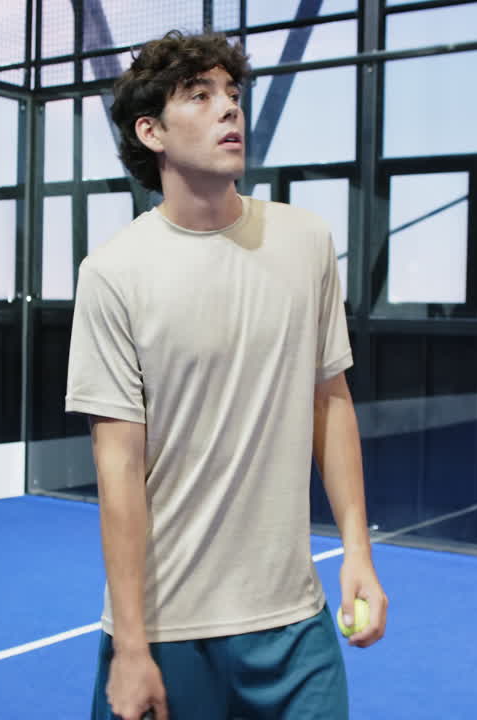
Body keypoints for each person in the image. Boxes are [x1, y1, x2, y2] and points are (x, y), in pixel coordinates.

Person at [65, 30, 387, 720]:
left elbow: (329, 401)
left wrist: (357, 550)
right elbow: (118, 464)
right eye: (201, 96)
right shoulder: (113, 274)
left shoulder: (307, 242)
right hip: (170, 627)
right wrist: (130, 646)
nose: (229, 111)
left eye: (234, 96)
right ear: (150, 131)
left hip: (295, 624)